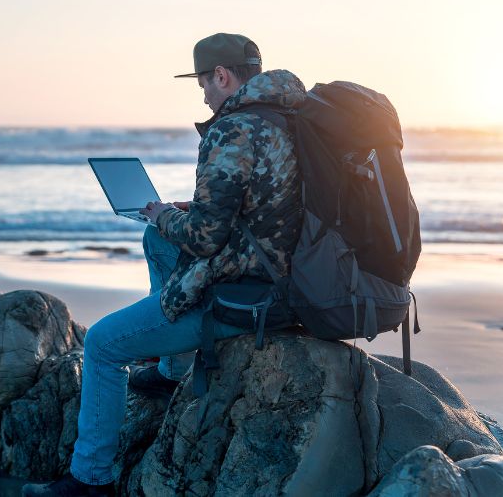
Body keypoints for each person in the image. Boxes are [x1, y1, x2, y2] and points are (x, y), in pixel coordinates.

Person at [22, 33, 307, 496]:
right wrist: (173, 215)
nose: (204, 95)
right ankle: (173, 371)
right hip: (281, 272)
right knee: (156, 236)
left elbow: (205, 238)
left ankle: (90, 480)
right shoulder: (288, 117)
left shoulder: (232, 128)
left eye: (203, 84)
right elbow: (257, 206)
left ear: (222, 75)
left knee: (101, 344)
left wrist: (168, 214)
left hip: (243, 292)